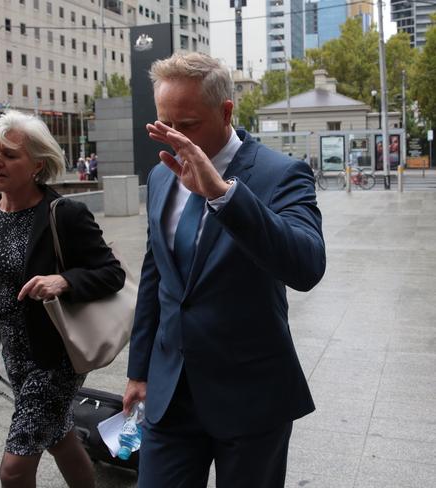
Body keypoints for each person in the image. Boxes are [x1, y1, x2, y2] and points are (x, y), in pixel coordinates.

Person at [122, 52, 326, 487]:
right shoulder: (161, 176)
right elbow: (156, 278)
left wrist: (221, 194)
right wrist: (139, 371)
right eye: (165, 123)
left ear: (226, 110)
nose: (174, 138)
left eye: (188, 125)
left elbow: (307, 265)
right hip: (170, 395)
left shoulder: (281, 173)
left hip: (250, 397)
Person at [0, 110, 125, 488]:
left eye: (10, 155)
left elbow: (112, 273)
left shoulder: (65, 214)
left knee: (14, 469)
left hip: (56, 357)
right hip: (15, 355)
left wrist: (64, 280)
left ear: (37, 165)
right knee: (59, 436)